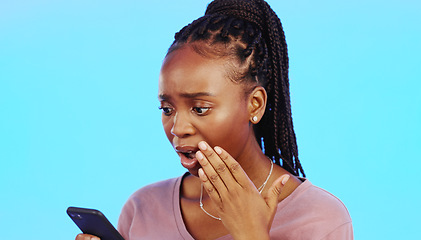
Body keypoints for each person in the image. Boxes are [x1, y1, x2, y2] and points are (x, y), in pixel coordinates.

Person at [76, 0, 353, 239]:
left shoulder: (319, 220)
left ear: (254, 104)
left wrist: (251, 234)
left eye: (199, 108)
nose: (177, 129)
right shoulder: (142, 209)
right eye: (167, 109)